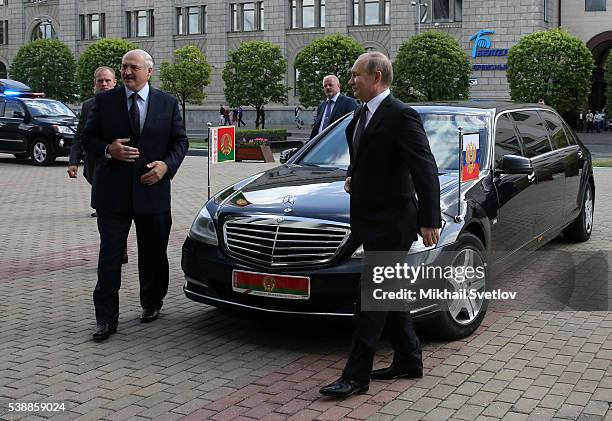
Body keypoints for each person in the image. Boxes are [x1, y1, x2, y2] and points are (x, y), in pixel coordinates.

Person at [319, 52, 441, 398]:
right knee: (390, 293)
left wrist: (430, 220)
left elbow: (425, 168)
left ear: (376, 77)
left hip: (393, 222)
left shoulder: (402, 115)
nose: (351, 80)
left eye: (356, 75)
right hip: (366, 218)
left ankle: (355, 377)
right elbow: (361, 157)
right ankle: (409, 358)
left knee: (372, 300)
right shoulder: (360, 113)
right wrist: (351, 176)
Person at [82, 49, 188, 342]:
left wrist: (166, 166)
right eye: (124, 67)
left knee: (153, 254)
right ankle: (106, 318)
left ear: (149, 71)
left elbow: (180, 141)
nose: (127, 72)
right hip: (112, 195)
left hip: (152, 191)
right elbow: (87, 139)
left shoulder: (167, 103)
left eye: (133, 67)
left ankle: (152, 303)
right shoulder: (104, 102)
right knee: (110, 256)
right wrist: (107, 149)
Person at [68, 66, 117, 215]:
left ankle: (107, 207)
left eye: (107, 80)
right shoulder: (88, 105)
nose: (104, 84)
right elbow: (80, 135)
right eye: (100, 81)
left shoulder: (124, 103)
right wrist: (73, 162)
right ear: (94, 83)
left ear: (114, 82)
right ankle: (103, 206)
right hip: (94, 160)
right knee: (94, 180)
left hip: (116, 157)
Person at [310, 75, 358, 140]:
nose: (328, 87)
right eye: (325, 86)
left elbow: (354, 128)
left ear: (338, 86)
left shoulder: (349, 103)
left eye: (330, 85)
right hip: (320, 145)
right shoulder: (321, 106)